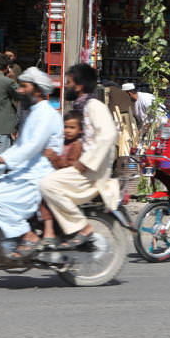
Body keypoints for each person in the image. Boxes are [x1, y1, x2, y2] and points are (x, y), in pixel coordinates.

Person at [0, 67, 63, 259]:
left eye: (25, 87)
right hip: (26, 171)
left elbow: (31, 147)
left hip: (38, 174)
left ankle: (28, 236)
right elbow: (20, 148)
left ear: (38, 90)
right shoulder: (33, 113)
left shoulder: (47, 115)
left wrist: (1, 159)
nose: (20, 91)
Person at [40, 64, 119, 249]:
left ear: (79, 86)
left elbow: (108, 135)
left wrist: (85, 163)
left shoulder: (94, 105)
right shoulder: (80, 107)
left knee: (47, 184)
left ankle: (81, 227)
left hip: (91, 172)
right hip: (84, 168)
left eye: (68, 82)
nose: (64, 86)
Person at [39, 111, 85, 247]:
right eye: (65, 127)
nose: (68, 131)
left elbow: (68, 167)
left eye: (72, 127)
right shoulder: (62, 142)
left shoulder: (76, 146)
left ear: (80, 130)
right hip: (58, 178)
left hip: (68, 182)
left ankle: (49, 231)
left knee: (45, 197)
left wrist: (53, 157)